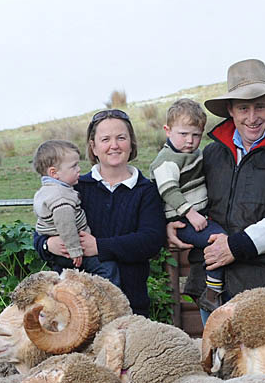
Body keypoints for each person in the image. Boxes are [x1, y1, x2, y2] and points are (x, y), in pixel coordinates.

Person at [169, 58, 265, 313]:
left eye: (260, 107)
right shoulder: (211, 154)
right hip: (213, 295)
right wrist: (172, 224)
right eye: (244, 108)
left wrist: (235, 247)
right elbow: (184, 193)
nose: (252, 117)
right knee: (219, 356)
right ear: (230, 110)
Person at [36, 109, 166, 317]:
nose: (114, 145)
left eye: (121, 138)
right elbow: (43, 230)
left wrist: (99, 247)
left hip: (129, 302)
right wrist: (47, 244)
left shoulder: (146, 190)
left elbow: (151, 240)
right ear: (93, 147)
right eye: (105, 139)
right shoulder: (74, 187)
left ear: (131, 143)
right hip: (73, 305)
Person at [150, 98, 226, 314]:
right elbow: (169, 191)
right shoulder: (167, 160)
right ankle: (212, 293)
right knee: (218, 240)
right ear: (167, 130)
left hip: (198, 215)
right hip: (185, 219)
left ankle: (211, 289)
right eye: (183, 134)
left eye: (196, 135)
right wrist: (191, 214)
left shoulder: (191, 154)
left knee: (213, 243)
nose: (190, 141)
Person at [31, 139, 119, 285]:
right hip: (71, 248)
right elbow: (66, 224)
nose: (79, 169)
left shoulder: (45, 191)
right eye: (73, 166)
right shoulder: (61, 196)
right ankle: (109, 301)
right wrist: (75, 250)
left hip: (61, 251)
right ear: (54, 173)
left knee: (67, 281)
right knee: (107, 269)